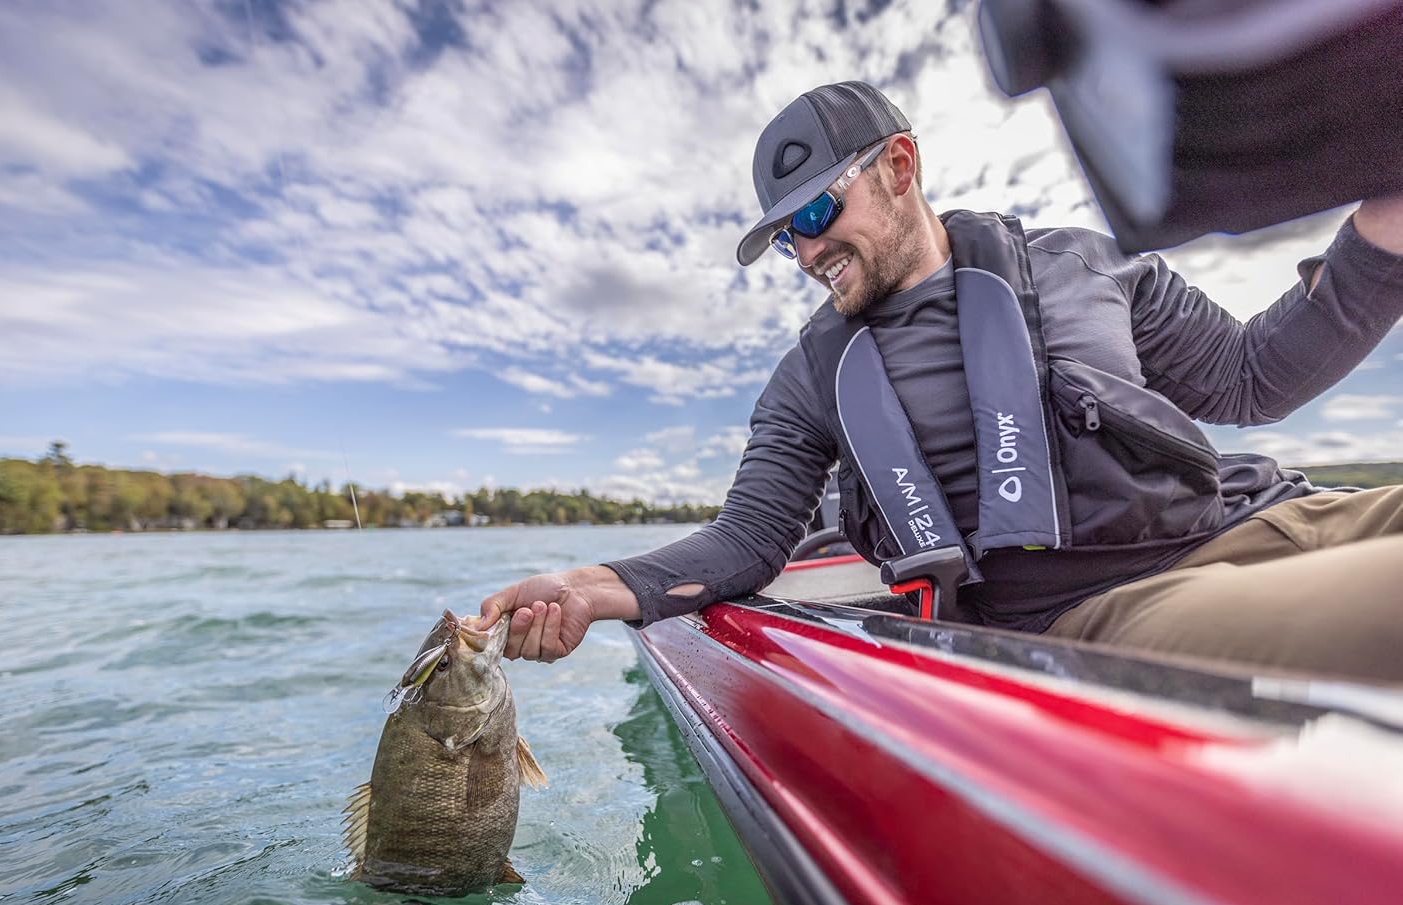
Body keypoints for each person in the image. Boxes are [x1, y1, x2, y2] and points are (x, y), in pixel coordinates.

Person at [480, 81, 1403, 680]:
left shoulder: (1085, 263)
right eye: (785, 235)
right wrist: (593, 584)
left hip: (1274, 515)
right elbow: (750, 538)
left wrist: (1381, 224)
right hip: (1114, 607)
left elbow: (1254, 379)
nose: (805, 251)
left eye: (814, 211)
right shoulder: (811, 378)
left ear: (900, 167)